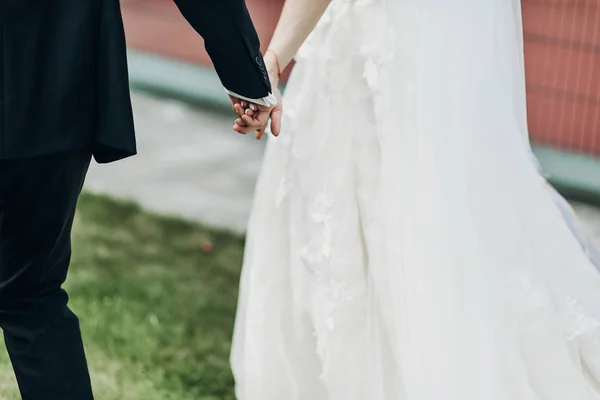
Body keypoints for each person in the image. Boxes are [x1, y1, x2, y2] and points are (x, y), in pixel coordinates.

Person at [230, 0, 600, 399]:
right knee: (442, 215)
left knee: (391, 211)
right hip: (428, 45)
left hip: (381, 44)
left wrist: (272, 59)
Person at [0, 1, 280, 399]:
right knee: (30, 298)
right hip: (53, 79)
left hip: (53, 83)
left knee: (30, 296)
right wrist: (248, 78)